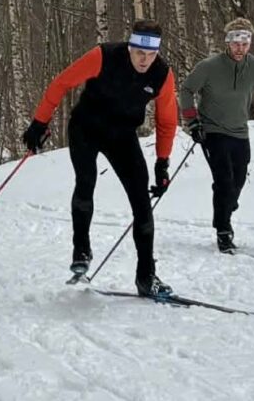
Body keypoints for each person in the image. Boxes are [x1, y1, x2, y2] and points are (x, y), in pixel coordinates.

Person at [21, 20, 179, 297]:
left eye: (151, 54)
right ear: (130, 47)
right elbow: (61, 83)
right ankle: (81, 250)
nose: (144, 60)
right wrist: (39, 123)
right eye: (139, 52)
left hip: (122, 136)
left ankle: (146, 277)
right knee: (86, 181)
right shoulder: (103, 56)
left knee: (142, 202)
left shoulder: (161, 75)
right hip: (86, 128)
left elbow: (167, 120)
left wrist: (162, 162)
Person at [177, 17, 254, 253]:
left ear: (250, 43)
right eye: (235, 43)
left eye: (244, 43)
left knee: (237, 181)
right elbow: (187, 90)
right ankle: (223, 230)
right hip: (213, 130)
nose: (240, 48)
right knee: (224, 181)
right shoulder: (209, 66)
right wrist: (193, 122)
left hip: (240, 132)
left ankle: (226, 207)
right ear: (227, 43)